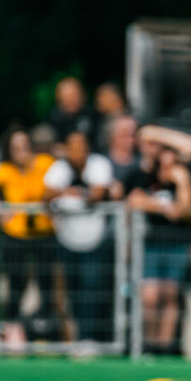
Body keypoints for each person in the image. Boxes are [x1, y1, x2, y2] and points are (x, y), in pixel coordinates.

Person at [121, 128, 191, 353]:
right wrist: (164, 207)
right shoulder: (142, 175)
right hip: (151, 243)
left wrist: (182, 182)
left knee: (171, 296)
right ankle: (146, 344)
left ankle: (164, 348)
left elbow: (186, 211)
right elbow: (134, 201)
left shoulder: (180, 180)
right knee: (151, 297)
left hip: (177, 243)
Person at [0, 127, 62, 346]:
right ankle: (13, 332)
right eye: (16, 148)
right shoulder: (5, 171)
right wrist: (0, 211)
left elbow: (61, 181)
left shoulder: (45, 164)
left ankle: (45, 332)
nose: (21, 151)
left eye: (25, 146)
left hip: (44, 232)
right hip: (15, 234)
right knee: (16, 284)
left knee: (47, 284)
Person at [45, 130, 117, 343]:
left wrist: (71, 193)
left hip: (94, 240)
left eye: (81, 147)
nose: (78, 152)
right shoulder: (59, 168)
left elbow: (97, 193)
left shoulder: (99, 164)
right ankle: (73, 338)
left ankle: (90, 338)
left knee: (92, 290)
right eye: (73, 147)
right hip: (67, 240)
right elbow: (46, 193)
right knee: (72, 292)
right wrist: (66, 192)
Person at [47, 75, 96, 144]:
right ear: (59, 100)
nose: (71, 101)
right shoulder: (53, 119)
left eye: (74, 96)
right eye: (66, 98)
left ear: (82, 96)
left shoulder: (94, 115)